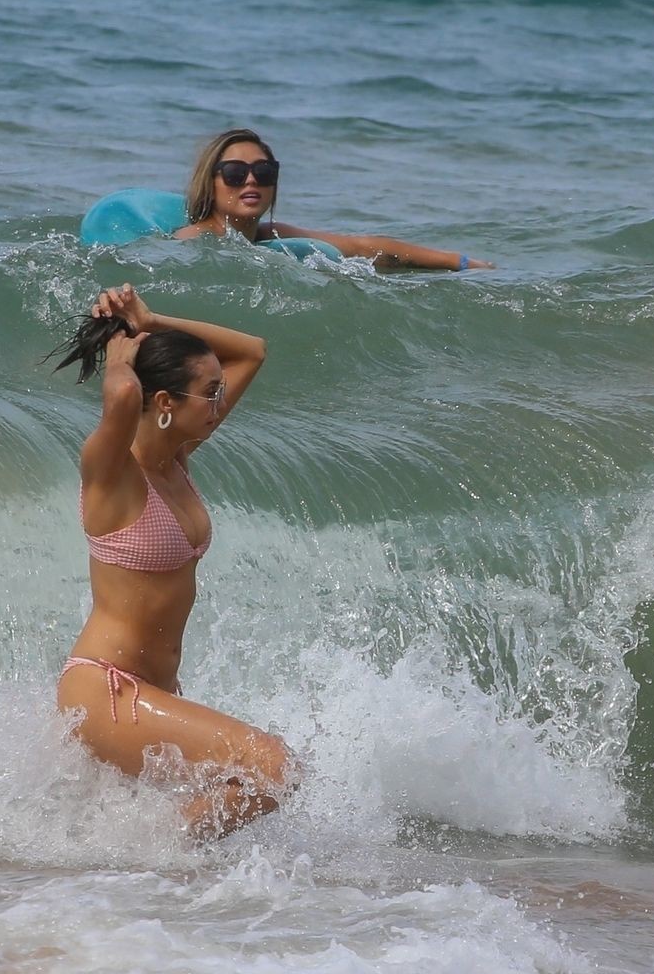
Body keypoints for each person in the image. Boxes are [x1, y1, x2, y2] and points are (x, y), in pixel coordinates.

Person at [51, 283, 295, 839]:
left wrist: (151, 319)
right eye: (210, 393)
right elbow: (120, 399)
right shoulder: (113, 473)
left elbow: (252, 351)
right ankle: (151, 862)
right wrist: (121, 354)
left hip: (152, 694)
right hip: (106, 690)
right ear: (164, 403)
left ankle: (143, 873)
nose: (220, 402)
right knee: (273, 767)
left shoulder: (176, 459)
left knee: (250, 781)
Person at [172, 127, 493, 270]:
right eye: (235, 173)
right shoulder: (195, 238)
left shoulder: (271, 234)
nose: (252, 179)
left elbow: (363, 247)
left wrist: (461, 263)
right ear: (210, 182)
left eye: (264, 171)